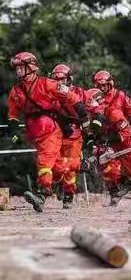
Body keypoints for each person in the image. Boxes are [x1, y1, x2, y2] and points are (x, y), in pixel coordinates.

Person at [6, 52, 89, 212]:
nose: (17, 71)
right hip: (34, 133)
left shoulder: (47, 83)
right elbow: (13, 114)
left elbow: (70, 95)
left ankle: (42, 194)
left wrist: (83, 113)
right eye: (16, 68)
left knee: (44, 162)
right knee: (56, 166)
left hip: (50, 130)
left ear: (31, 67)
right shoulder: (16, 91)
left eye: (20, 67)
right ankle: (79, 164)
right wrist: (14, 129)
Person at [87, 88, 131, 207]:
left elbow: (127, 132)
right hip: (114, 147)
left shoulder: (113, 112)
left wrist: (109, 139)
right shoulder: (95, 117)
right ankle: (117, 189)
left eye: (90, 104)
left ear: (98, 102)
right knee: (101, 160)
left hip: (128, 146)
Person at [50, 64, 87, 209]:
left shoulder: (80, 93)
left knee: (70, 167)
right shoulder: (50, 93)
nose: (59, 82)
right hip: (55, 134)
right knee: (53, 164)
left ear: (69, 79)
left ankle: (68, 197)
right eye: (56, 79)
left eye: (62, 79)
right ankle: (58, 184)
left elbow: (93, 110)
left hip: (74, 134)